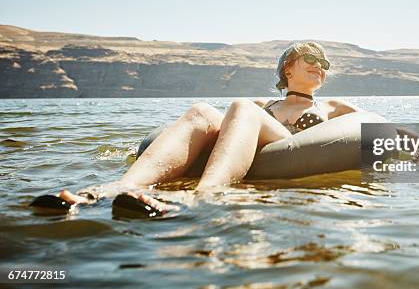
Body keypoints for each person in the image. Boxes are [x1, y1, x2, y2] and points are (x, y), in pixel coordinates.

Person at [36, 41, 399, 214]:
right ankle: (107, 190)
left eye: (325, 63)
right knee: (201, 111)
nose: (321, 66)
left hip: (295, 149)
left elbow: (384, 134)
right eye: (312, 59)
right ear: (287, 68)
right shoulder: (263, 106)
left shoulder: (334, 107)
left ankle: (201, 196)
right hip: (256, 150)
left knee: (240, 105)